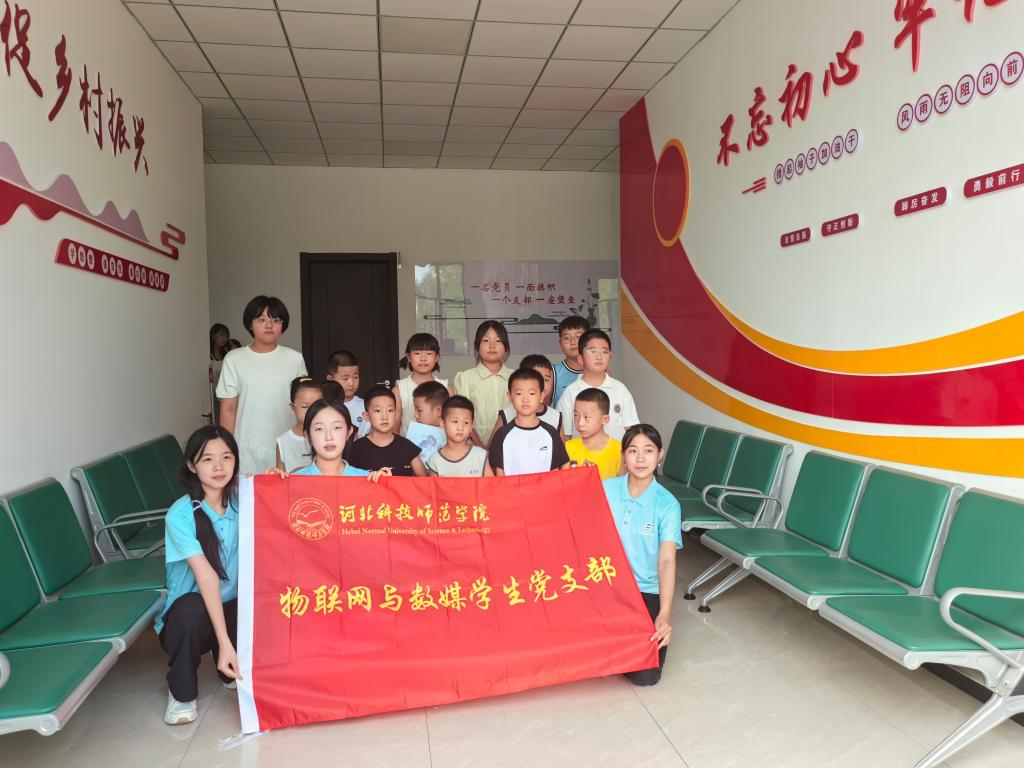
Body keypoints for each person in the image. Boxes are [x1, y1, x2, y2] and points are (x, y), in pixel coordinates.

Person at [157, 426, 241, 726]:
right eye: (207, 459)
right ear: (192, 466)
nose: (219, 467)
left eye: (226, 457)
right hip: (191, 621)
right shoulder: (179, 515)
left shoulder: (244, 500)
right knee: (191, 609)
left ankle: (226, 667)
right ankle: (181, 694)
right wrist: (225, 640)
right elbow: (207, 578)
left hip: (233, 608)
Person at [603, 424, 681, 687]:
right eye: (632, 450)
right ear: (623, 456)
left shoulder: (667, 504)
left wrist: (665, 613)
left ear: (660, 454)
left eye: (648, 450)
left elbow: (667, 560)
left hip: (644, 591)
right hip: (606, 586)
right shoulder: (605, 489)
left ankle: (618, 644)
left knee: (646, 675)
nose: (640, 458)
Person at [216, 296, 307, 475]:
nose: (269, 325)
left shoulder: (295, 359)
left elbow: (304, 404)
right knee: (250, 491)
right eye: (261, 319)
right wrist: (226, 449)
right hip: (246, 448)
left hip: (288, 445)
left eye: (276, 320)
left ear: (283, 325)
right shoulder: (234, 359)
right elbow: (228, 409)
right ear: (250, 324)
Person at [556, 329, 638, 442]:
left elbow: (631, 430)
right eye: (592, 351)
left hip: (616, 453)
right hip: (581, 454)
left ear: (610, 357)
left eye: (604, 352)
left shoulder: (620, 389)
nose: (599, 357)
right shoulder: (570, 392)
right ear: (581, 358)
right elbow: (565, 435)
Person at [488, 368, 570, 476]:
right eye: (519, 393)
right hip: (512, 487)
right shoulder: (502, 434)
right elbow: (499, 475)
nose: (525, 399)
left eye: (531, 393)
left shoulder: (551, 433)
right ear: (510, 397)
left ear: (541, 396)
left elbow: (556, 472)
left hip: (545, 487)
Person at [290, 398, 389, 480]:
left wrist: (386, 486)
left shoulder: (366, 480)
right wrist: (279, 481)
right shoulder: (294, 481)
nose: (329, 437)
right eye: (319, 429)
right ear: (308, 435)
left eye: (337, 427)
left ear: (349, 432)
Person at [453, 321, 514, 447]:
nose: (492, 346)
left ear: (506, 346)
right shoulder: (465, 378)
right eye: (485, 340)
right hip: (474, 447)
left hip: (511, 445)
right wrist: (480, 446)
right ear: (477, 346)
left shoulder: (515, 377)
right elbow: (462, 415)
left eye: (498, 340)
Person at [347, 386, 427, 476]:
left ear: (396, 414)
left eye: (390, 410)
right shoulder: (355, 450)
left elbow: (424, 480)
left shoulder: (407, 447)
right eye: (378, 411)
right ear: (366, 416)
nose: (384, 417)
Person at [490, 354, 563, 439]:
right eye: (536, 378)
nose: (542, 384)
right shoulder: (506, 415)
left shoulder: (556, 416)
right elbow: (493, 445)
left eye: (546, 380)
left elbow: (561, 446)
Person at [393, 333, 449, 436]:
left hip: (441, 444)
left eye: (429, 353)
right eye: (417, 353)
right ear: (409, 357)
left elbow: (451, 422)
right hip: (407, 444)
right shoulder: (399, 389)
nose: (423, 358)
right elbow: (395, 427)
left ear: (436, 357)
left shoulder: (446, 387)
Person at [427, 395, 492, 477]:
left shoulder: (480, 456)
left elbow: (492, 484)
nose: (460, 428)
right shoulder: (435, 460)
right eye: (455, 421)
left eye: (466, 422)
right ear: (443, 424)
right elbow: (433, 485)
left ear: (471, 427)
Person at [566, 388, 622, 480]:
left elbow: (623, 484)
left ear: (604, 419)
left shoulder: (619, 450)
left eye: (586, 417)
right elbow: (564, 483)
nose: (580, 423)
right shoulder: (568, 448)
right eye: (576, 415)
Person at [275, 377, 321, 473]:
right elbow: (279, 476)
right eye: (305, 407)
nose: (311, 411)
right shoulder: (283, 441)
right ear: (293, 407)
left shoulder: (328, 436)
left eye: (317, 406)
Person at [326, 350, 369, 438]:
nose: (351, 383)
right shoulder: (324, 406)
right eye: (345, 378)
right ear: (330, 379)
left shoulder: (365, 406)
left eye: (355, 377)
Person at [553, 316, 589, 405]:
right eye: (567, 338)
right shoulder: (552, 373)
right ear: (560, 343)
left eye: (578, 336)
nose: (573, 342)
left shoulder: (599, 370)